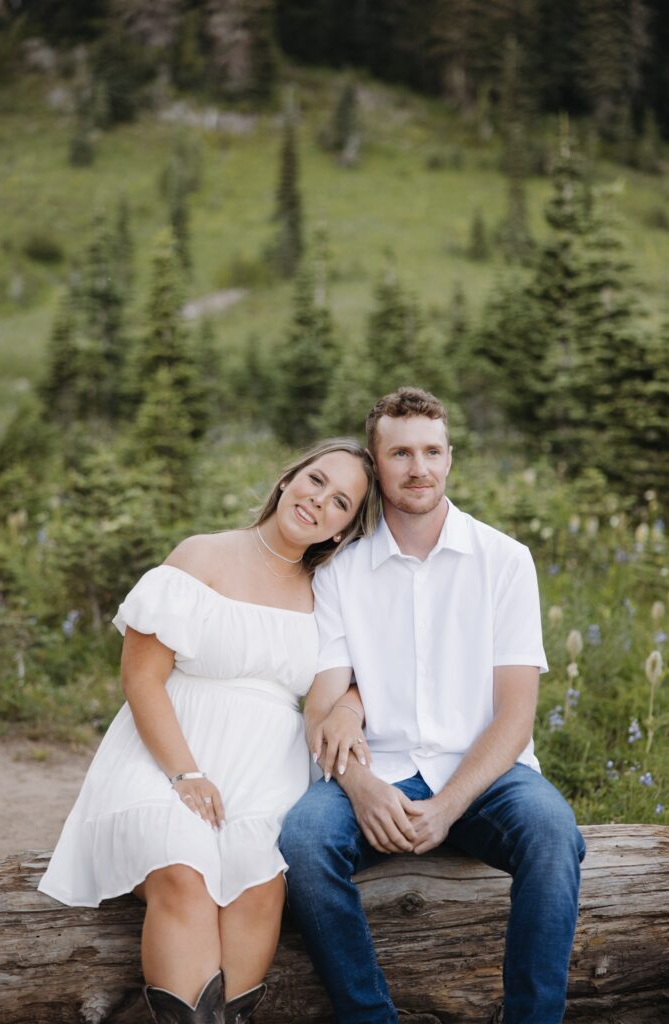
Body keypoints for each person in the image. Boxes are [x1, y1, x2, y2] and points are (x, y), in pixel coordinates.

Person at [38, 438, 380, 1024]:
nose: (320, 501)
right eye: (317, 480)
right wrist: (185, 773)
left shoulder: (331, 593)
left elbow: (350, 681)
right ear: (288, 478)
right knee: (183, 867)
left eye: (342, 502)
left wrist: (349, 705)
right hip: (169, 750)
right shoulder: (201, 555)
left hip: (266, 766)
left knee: (258, 881)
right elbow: (141, 678)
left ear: (344, 530)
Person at [280, 388, 586, 1024]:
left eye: (431, 451)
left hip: (484, 776)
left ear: (450, 458)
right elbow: (323, 705)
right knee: (304, 841)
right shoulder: (341, 571)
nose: (418, 468)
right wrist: (359, 785)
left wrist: (448, 807)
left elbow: (515, 716)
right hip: (380, 768)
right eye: (400, 453)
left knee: (554, 833)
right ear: (375, 461)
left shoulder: (505, 561)